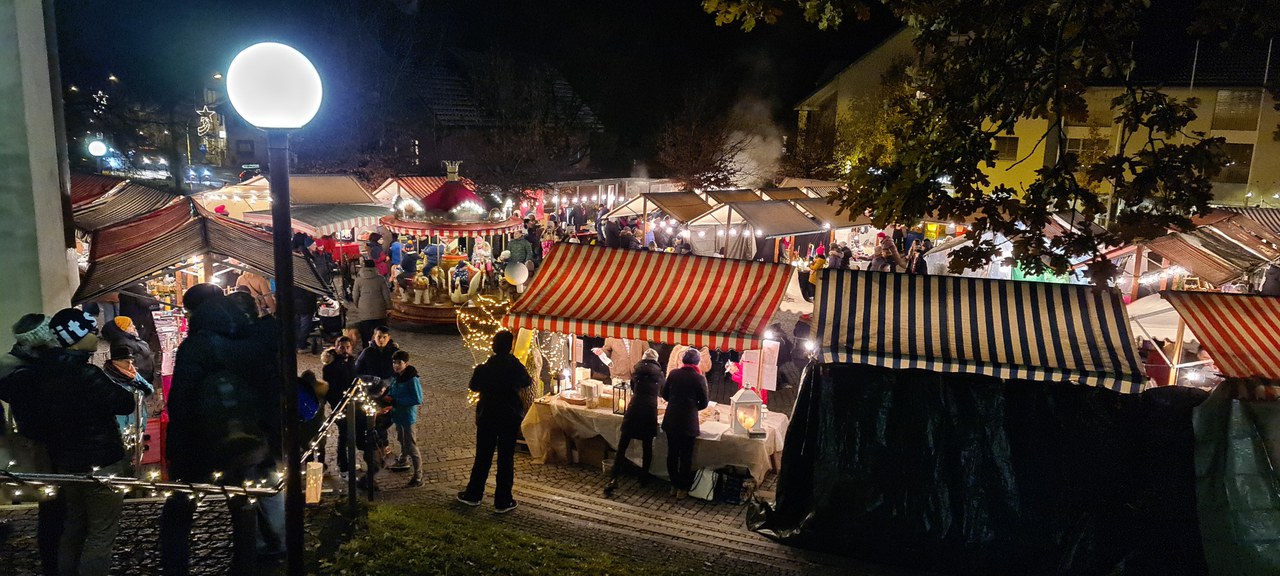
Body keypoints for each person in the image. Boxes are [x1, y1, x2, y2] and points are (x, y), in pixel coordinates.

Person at [162, 285, 281, 575]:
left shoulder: (197, 346)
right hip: (243, 440)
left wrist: (178, 448)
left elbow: (181, 400)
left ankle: (174, 568)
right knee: (242, 506)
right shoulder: (250, 339)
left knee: (178, 513)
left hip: (200, 442)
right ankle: (244, 566)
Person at [37, 308, 136, 576]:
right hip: (101, 462)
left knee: (75, 524)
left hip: (67, 461)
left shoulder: (45, 372)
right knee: (101, 532)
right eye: (90, 331)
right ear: (76, 338)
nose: (96, 335)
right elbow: (123, 403)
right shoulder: (86, 374)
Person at [0, 314, 64, 575]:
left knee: (53, 508)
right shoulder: (26, 373)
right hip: (46, 445)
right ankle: (55, 564)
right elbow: (41, 414)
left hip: (41, 442)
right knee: (54, 509)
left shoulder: (16, 367)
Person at [458, 331, 532, 513]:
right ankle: (503, 500)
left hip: (488, 416)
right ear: (510, 346)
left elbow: (473, 386)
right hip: (509, 417)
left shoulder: (484, 368)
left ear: (494, 345)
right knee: (506, 459)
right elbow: (527, 381)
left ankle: (474, 494)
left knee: (483, 457)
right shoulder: (515, 366)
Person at [604, 349, 665, 497]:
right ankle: (643, 478)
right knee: (647, 446)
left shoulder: (636, 370)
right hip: (649, 409)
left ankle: (614, 476)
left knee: (623, 444)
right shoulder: (659, 374)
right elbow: (661, 390)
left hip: (634, 407)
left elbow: (632, 387)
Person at [661, 347, 709, 499]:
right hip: (688, 421)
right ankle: (682, 488)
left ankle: (673, 485)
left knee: (672, 453)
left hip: (671, 419)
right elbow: (704, 403)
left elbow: (665, 394)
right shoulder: (699, 378)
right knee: (686, 456)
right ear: (697, 362)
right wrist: (693, 407)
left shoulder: (674, 374)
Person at [101, 344, 155, 474]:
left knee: (133, 462)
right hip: (121, 428)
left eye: (131, 361)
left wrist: (135, 378)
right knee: (123, 465)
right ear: (116, 362)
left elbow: (149, 390)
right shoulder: (107, 378)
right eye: (126, 362)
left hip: (136, 426)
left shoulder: (131, 375)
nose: (130, 365)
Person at [384, 350, 424, 486]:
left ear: (406, 363)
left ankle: (418, 475)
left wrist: (395, 400)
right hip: (398, 415)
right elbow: (392, 390)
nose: (396, 365)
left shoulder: (411, 379)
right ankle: (403, 460)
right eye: (394, 362)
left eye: (399, 362)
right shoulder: (398, 376)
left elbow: (417, 398)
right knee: (401, 439)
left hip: (407, 417)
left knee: (411, 445)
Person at [321, 337, 358, 479]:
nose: (345, 350)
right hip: (340, 405)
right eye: (342, 347)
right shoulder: (330, 366)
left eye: (348, 347)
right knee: (344, 436)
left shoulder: (351, 360)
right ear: (336, 347)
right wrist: (338, 404)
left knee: (351, 435)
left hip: (353, 403)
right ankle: (343, 466)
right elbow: (331, 389)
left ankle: (348, 463)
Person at [101, 315, 156, 386]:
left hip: (147, 374)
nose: (134, 327)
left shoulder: (130, 338)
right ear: (123, 329)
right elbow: (126, 371)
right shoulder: (121, 346)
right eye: (130, 325)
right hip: (141, 380)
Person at [350, 259, 391, 346]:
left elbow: (355, 295)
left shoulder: (358, 279)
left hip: (364, 310)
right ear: (374, 267)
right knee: (381, 332)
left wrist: (358, 306)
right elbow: (386, 295)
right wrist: (389, 307)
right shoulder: (380, 279)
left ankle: (366, 350)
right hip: (379, 310)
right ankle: (381, 348)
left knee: (366, 334)